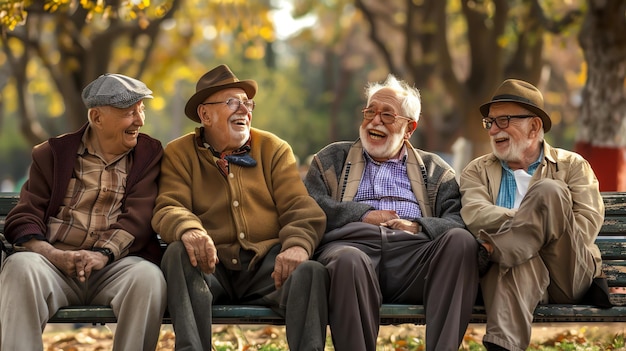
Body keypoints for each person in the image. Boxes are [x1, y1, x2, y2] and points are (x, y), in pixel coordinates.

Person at [152, 64, 329, 351]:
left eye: (248, 103)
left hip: (267, 270)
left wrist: (297, 245)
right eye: (232, 102)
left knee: (310, 272)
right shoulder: (179, 152)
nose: (244, 110)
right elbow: (169, 206)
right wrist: (190, 230)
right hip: (211, 268)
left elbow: (300, 208)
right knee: (177, 253)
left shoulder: (274, 148)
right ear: (205, 114)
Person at [304, 74, 480, 351]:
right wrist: (364, 214)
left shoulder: (436, 170)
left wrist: (418, 226)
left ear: (409, 128)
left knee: (461, 241)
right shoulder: (331, 159)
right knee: (349, 259)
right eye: (370, 112)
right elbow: (309, 206)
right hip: (352, 246)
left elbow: (457, 219)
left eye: (388, 115)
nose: (375, 121)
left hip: (414, 256)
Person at [0, 73, 166, 350]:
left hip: (115, 266)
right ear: (97, 118)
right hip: (55, 266)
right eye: (129, 113)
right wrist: (55, 255)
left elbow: (139, 217)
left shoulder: (148, 155)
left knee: (149, 278)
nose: (139, 121)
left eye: (141, 110)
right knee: (19, 268)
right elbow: (25, 216)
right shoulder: (53, 154)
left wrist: (102, 254)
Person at [459, 78, 611, 351]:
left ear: (534, 126)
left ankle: (503, 248)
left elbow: (586, 225)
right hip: (515, 273)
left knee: (549, 191)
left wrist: (518, 230)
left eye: (504, 120)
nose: (494, 130)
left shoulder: (572, 165)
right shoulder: (476, 170)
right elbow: (474, 213)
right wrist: (532, 222)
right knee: (515, 258)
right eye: (490, 122)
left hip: (566, 275)